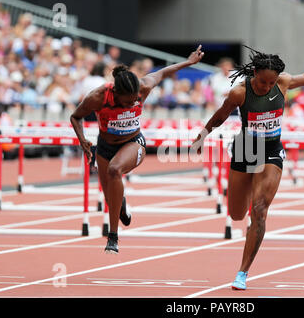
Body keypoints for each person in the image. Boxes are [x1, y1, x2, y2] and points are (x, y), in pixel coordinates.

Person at [191, 45, 304, 290]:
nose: (267, 87)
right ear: (254, 73)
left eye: (271, 83)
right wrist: (202, 136)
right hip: (246, 149)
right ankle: (250, 203)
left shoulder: (283, 83)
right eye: (264, 82)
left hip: (271, 150)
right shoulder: (239, 92)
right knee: (236, 214)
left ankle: (242, 272)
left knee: (259, 208)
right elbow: (221, 115)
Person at [70, 45, 205, 254]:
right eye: (128, 101)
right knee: (111, 195)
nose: (133, 102)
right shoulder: (97, 96)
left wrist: (188, 62)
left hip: (133, 143)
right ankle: (120, 204)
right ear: (116, 93)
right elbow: (75, 116)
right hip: (105, 146)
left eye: (135, 99)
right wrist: (82, 140)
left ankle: (112, 237)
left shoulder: (143, 86)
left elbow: (162, 73)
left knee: (115, 170)